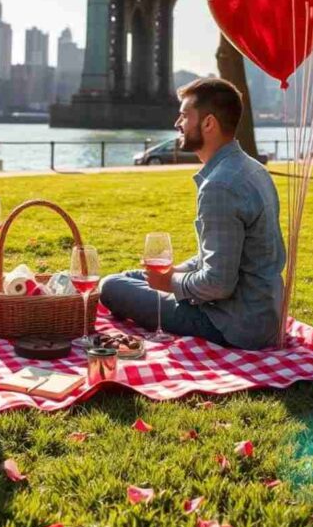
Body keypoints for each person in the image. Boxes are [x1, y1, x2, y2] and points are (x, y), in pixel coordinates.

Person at [100, 78, 287, 350]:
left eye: (185, 115)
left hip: (231, 324)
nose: (178, 123)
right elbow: (221, 256)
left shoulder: (219, 186)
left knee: (111, 286)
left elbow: (218, 284)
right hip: (263, 315)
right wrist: (176, 272)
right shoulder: (254, 170)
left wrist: (170, 282)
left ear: (208, 123)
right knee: (131, 277)